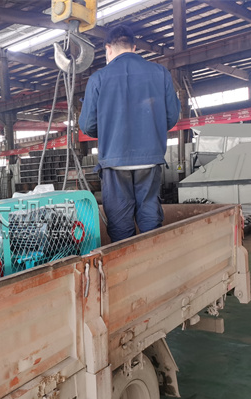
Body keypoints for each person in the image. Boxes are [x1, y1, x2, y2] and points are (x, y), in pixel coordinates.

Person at [78, 25, 180, 243]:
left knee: (120, 221)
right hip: (150, 159)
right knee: (150, 214)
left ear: (108, 49)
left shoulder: (98, 78)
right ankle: (153, 256)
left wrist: (109, 131)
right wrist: (151, 130)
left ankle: (125, 260)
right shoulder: (160, 73)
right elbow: (172, 117)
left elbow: (87, 125)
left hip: (114, 162)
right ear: (134, 48)